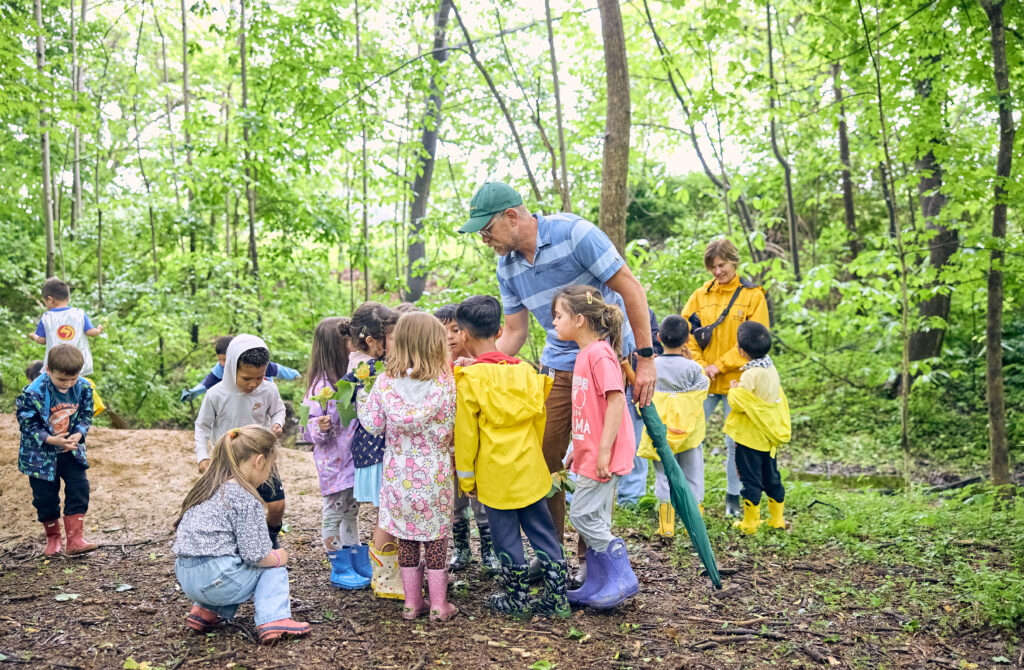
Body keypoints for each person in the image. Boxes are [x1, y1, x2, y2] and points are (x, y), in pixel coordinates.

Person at [458, 181, 657, 570]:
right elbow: (515, 332)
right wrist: (483, 364)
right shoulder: (507, 266)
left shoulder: (576, 233)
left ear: (512, 217)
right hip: (559, 367)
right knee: (543, 458)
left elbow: (631, 289)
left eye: (487, 231)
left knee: (593, 460)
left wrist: (646, 359)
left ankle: (592, 559)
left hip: (604, 360)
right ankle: (552, 558)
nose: (485, 240)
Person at [453, 296, 569, 618]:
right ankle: (557, 599)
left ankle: (517, 600)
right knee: (542, 531)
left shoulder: (469, 381)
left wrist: (466, 478)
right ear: (500, 328)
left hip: (495, 476)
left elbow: (466, 436)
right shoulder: (528, 374)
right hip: (530, 470)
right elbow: (540, 423)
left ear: (462, 335)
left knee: (506, 538)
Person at [357, 312, 459, 622]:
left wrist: (363, 398)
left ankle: (412, 603)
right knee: (436, 537)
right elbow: (454, 424)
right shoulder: (445, 381)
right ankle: (440, 605)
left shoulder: (386, 382)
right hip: (435, 473)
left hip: (398, 475)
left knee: (407, 537)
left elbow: (373, 426)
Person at [173, 425, 311, 644]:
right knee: (272, 567)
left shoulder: (207, 488)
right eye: (270, 466)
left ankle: (205, 612)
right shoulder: (245, 498)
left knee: (228, 557)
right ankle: (273, 619)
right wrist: (278, 556)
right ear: (259, 461)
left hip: (186, 577)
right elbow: (255, 555)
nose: (269, 473)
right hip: (215, 580)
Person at [552, 286, 639, 609]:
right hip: (590, 451)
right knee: (595, 517)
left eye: (558, 316)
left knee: (584, 514)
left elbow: (616, 400)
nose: (554, 323)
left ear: (578, 319)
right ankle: (597, 584)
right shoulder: (585, 354)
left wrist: (603, 451)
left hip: (606, 454)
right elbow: (588, 408)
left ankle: (623, 577)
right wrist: (579, 444)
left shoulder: (600, 354)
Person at [682, 238, 769, 517]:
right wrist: (700, 365)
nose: (717, 271)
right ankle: (692, 499)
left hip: (739, 380)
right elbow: (686, 333)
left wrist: (719, 365)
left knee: (736, 442)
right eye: (712, 267)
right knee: (690, 436)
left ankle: (734, 499)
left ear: (734, 261)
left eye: (721, 265)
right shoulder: (699, 296)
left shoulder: (753, 296)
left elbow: (755, 339)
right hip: (704, 381)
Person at [194, 335, 287, 549]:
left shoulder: (268, 390)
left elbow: (278, 410)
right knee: (232, 507)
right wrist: (203, 456)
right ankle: (234, 546)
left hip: (261, 457)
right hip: (227, 460)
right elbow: (203, 426)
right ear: (231, 369)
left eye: (259, 377)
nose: (253, 384)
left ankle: (269, 539)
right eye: (246, 378)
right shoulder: (215, 395)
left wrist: (277, 424)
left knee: (276, 505)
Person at [302, 317, 370, 590]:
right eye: (349, 341)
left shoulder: (351, 379)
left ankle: (356, 560)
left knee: (351, 511)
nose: (355, 345)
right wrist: (319, 427)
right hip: (332, 463)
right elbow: (305, 431)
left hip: (352, 461)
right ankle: (339, 567)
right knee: (333, 513)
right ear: (335, 345)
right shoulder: (320, 386)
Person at [342, 301, 402, 599]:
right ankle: (386, 578)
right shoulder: (367, 369)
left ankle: (390, 574)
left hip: (375, 450)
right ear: (372, 340)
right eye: (391, 337)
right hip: (377, 450)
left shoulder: (369, 366)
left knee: (388, 513)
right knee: (387, 515)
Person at [434, 303, 499, 573]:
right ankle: (461, 549)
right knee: (455, 502)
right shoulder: (436, 369)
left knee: (480, 502)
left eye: (456, 329)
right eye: (443, 330)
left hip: (476, 447)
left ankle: (489, 551)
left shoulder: (479, 366)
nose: (449, 336)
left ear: (467, 333)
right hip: (447, 449)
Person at [16, 344, 98, 556]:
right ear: (48, 369)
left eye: (73, 378)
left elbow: (86, 415)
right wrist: (50, 439)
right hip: (40, 457)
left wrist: (78, 434)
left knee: (79, 489)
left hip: (71, 451)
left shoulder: (84, 387)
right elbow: (27, 423)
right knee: (45, 498)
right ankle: (53, 539)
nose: (68, 384)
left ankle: (75, 540)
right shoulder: (33, 392)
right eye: (62, 379)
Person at [636, 315, 709, 537]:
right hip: (689, 433)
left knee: (664, 476)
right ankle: (694, 528)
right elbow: (703, 390)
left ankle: (666, 527)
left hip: (661, 433)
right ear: (687, 339)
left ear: (658, 337)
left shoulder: (652, 367)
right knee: (693, 475)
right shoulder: (694, 368)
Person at [724, 322, 791, 534]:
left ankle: (751, 522)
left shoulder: (750, 375)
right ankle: (777, 519)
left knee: (750, 478)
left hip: (749, 438)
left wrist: (733, 390)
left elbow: (740, 403)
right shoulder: (771, 369)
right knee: (771, 476)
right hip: (768, 436)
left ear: (741, 351)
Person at [27, 277, 106, 416]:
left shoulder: (47, 317)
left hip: (56, 364)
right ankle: (79, 411)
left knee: (55, 388)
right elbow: (91, 332)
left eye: (45, 301)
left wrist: (33, 336)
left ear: (50, 299)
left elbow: (42, 340)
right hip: (78, 363)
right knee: (76, 386)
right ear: (67, 298)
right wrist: (99, 330)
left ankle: (55, 414)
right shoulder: (79, 313)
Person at [180, 336, 300, 403]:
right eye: (220, 360)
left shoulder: (253, 364)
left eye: (225, 359)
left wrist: (295, 375)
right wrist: (193, 392)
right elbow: (207, 383)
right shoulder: (219, 369)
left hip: (264, 398)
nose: (223, 364)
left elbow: (279, 370)